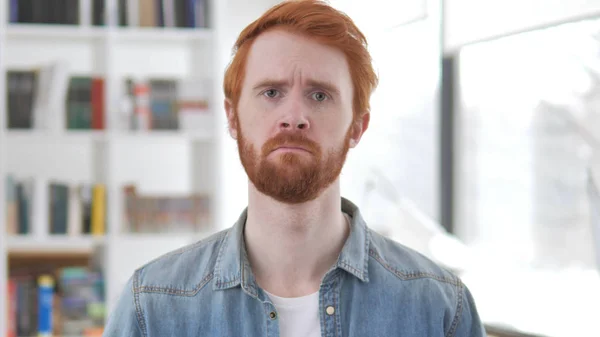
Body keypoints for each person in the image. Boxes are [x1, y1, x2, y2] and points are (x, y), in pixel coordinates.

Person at [102, 1, 486, 336]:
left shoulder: (440, 309)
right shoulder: (152, 306)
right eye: (271, 93)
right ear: (233, 118)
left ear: (357, 127)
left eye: (319, 95)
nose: (294, 117)